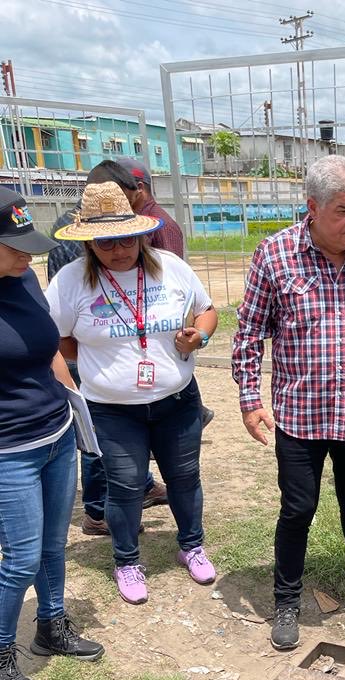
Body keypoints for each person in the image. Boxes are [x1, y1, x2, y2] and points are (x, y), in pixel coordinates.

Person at [233, 155, 345, 651]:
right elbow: (249, 334)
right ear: (311, 208)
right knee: (299, 508)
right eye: (343, 211)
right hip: (300, 414)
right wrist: (251, 399)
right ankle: (287, 597)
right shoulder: (275, 255)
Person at [46, 182, 218, 606]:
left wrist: (200, 337)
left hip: (177, 401)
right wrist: (95, 361)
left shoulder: (170, 266)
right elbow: (58, 338)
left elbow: (206, 310)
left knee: (184, 477)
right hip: (112, 411)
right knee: (123, 487)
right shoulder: (70, 282)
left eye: (125, 239)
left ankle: (191, 545)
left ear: (140, 234)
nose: (118, 250)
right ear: (89, 243)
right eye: (105, 243)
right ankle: (126, 561)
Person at [0, 185, 104, 680]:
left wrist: (76, 407)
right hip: (8, 451)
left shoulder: (24, 284)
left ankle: (51, 624)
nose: (27, 253)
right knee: (19, 558)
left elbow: (48, 352)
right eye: (14, 244)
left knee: (51, 547)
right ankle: (0, 653)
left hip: (55, 436)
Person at [47, 160, 169, 536]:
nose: (117, 249)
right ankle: (99, 510)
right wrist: (82, 355)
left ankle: (134, 488)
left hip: (122, 359)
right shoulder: (71, 260)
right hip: (92, 356)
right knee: (100, 442)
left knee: (119, 442)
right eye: (105, 242)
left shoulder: (144, 259)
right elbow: (58, 327)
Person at [115, 157, 215, 431]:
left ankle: (192, 413)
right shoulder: (135, 221)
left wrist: (191, 332)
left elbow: (177, 286)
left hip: (161, 326)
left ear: (138, 188)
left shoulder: (161, 224)